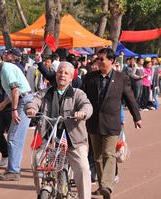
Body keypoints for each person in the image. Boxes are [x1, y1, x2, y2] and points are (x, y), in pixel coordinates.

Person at [25, 61, 93, 199]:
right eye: (60, 72)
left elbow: (87, 106)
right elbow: (34, 101)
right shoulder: (45, 93)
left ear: (71, 77)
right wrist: (31, 108)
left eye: (66, 73)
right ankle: (40, 193)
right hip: (50, 140)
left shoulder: (77, 94)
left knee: (84, 170)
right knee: (37, 162)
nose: (62, 75)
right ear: (56, 75)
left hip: (74, 141)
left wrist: (83, 113)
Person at [82, 48, 141, 199]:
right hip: (93, 123)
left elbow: (130, 97)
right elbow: (81, 97)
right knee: (97, 157)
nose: (98, 62)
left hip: (111, 123)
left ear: (112, 61)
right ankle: (103, 186)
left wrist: (136, 117)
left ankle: (107, 186)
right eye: (97, 59)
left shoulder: (122, 78)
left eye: (102, 59)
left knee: (108, 153)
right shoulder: (89, 78)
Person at [0, 53, 33, 181]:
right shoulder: (5, 69)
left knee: (14, 137)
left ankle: (14, 170)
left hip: (23, 101)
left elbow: (15, 90)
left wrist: (14, 109)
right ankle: (13, 168)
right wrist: (4, 104)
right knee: (14, 136)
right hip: (23, 100)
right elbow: (14, 91)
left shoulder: (6, 69)